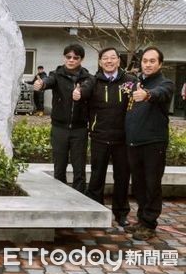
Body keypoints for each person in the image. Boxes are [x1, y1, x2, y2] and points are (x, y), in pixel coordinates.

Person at [124, 46, 174, 241]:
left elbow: (160, 93)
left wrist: (147, 95)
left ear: (160, 63)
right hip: (134, 142)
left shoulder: (165, 83)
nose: (148, 64)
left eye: (152, 61)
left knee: (152, 184)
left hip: (154, 143)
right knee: (138, 184)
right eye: (145, 60)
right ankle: (142, 220)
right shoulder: (137, 82)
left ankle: (149, 223)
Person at [82, 47, 136, 227]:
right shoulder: (93, 81)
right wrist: (78, 93)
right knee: (97, 176)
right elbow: (83, 94)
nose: (109, 61)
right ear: (100, 62)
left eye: (113, 58)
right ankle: (96, 211)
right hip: (99, 136)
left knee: (122, 177)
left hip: (123, 138)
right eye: (105, 58)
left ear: (118, 61)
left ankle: (121, 213)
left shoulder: (129, 81)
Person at [34, 44, 92, 193]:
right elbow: (48, 81)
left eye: (75, 58)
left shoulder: (88, 77)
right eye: (68, 57)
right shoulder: (56, 75)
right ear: (64, 57)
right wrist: (41, 84)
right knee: (59, 167)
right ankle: (59, 197)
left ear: (81, 59)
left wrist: (81, 93)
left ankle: (79, 199)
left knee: (79, 169)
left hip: (80, 130)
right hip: (59, 128)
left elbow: (88, 88)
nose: (71, 60)